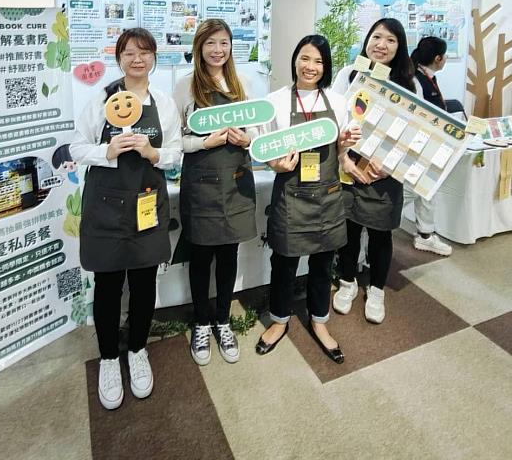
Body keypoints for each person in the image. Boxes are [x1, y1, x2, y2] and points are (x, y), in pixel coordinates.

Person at [70, 28, 181, 410]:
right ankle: (107, 358)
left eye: (145, 52)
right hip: (106, 206)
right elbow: (75, 147)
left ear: (153, 58)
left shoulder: (163, 103)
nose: (138, 59)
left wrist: (153, 152)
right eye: (130, 52)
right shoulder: (101, 99)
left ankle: (136, 350)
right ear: (119, 58)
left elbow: (176, 153)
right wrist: (107, 150)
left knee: (145, 280)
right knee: (108, 284)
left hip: (147, 203)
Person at [255, 35, 360, 363]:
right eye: (304, 58)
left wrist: (344, 143)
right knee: (283, 262)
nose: (310, 66)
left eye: (318, 61)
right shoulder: (274, 101)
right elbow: (261, 147)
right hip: (290, 195)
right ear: (295, 60)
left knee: (322, 263)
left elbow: (342, 150)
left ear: (326, 66)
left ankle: (320, 322)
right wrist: (274, 163)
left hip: (328, 195)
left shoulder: (338, 101)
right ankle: (279, 320)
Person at [173, 19, 257, 366]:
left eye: (224, 43)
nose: (217, 50)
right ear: (199, 48)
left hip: (236, 179)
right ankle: (201, 322)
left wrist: (246, 138)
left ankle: (223, 319)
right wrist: (203, 141)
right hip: (201, 182)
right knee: (201, 256)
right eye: (210, 43)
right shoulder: (184, 86)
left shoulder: (242, 83)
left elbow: (255, 127)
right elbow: (175, 139)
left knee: (228, 254)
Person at [331, 18, 417, 324]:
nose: (381, 44)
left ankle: (377, 289)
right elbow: (335, 120)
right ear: (367, 39)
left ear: (400, 46)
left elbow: (412, 134)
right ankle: (347, 282)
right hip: (349, 166)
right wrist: (344, 159)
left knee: (381, 234)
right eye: (376, 37)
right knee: (349, 231)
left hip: (385, 172)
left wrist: (389, 166)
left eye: (390, 40)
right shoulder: (348, 73)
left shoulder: (408, 82)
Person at [409, 37, 452, 256]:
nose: (445, 60)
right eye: (445, 56)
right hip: (416, 147)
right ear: (438, 58)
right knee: (405, 192)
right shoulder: (415, 80)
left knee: (427, 190)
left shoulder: (428, 78)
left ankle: (425, 235)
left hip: (431, 146)